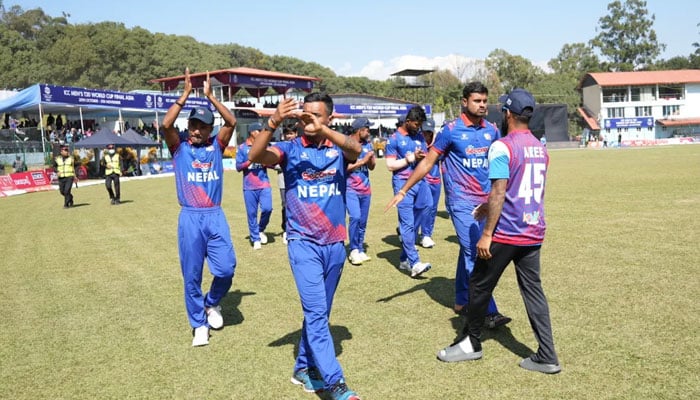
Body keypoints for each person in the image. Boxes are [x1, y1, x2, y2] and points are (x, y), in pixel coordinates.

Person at [436, 88, 561, 374]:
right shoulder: (540, 148)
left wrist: (487, 232)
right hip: (533, 230)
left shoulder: (501, 146)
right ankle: (547, 355)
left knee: (479, 285)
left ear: (507, 113)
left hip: (506, 231)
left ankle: (471, 343)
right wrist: (486, 206)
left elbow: (499, 190)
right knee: (533, 292)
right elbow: (519, 188)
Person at [248, 93, 363, 400]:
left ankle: (302, 368)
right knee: (315, 314)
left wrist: (323, 131)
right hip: (303, 244)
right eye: (304, 115)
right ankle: (336, 384)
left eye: (316, 115)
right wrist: (273, 121)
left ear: (329, 118)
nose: (308, 120)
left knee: (320, 313)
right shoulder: (289, 149)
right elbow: (257, 156)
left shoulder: (338, 147)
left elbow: (357, 150)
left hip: (335, 245)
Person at [386, 82, 510, 328]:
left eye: (485, 101)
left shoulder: (492, 131)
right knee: (477, 253)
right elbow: (428, 162)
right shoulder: (450, 131)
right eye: (477, 101)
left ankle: (462, 300)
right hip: (461, 202)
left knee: (470, 250)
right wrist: (403, 189)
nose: (482, 105)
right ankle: (487, 311)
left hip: (486, 203)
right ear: (464, 102)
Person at [161, 68, 238, 347]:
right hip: (190, 217)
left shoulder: (217, 146)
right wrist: (184, 95)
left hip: (215, 215)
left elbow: (232, 121)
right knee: (191, 275)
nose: (196, 130)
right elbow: (166, 126)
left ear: (209, 129)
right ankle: (198, 325)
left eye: (202, 126)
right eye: (193, 125)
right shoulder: (179, 148)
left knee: (227, 268)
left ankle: (212, 303)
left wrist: (209, 97)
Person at [385, 106, 432, 278]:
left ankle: (404, 259)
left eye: (420, 125)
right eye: (416, 124)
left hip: (421, 182)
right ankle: (415, 263)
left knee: (424, 210)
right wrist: (410, 158)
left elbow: (426, 158)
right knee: (407, 223)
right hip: (402, 183)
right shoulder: (394, 139)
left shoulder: (419, 136)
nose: (418, 128)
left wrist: (420, 157)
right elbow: (390, 165)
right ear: (407, 121)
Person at [235, 122, 273, 250]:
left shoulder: (264, 146)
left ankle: (260, 230)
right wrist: (250, 161)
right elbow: (238, 167)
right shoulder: (242, 148)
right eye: (259, 131)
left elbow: (271, 163)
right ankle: (255, 238)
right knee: (252, 214)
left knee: (268, 208)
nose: (261, 133)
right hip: (249, 186)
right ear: (252, 132)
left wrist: (266, 162)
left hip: (264, 184)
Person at [346, 117, 376, 266]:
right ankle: (353, 250)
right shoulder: (347, 144)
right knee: (355, 217)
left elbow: (372, 167)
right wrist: (362, 161)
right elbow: (344, 168)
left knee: (363, 222)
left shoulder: (368, 144)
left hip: (366, 189)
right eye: (367, 129)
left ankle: (360, 247)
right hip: (350, 188)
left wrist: (370, 159)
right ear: (359, 130)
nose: (369, 131)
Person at [417, 118, 439, 249]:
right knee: (423, 207)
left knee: (433, 209)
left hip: (436, 180)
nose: (426, 135)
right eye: (424, 132)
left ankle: (427, 234)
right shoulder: (418, 142)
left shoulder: (439, 143)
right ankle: (419, 233)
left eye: (428, 132)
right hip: (422, 180)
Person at [276, 126, 298, 245]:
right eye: (287, 134)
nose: (289, 136)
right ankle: (286, 230)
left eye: (291, 133)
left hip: (299, 182)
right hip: (283, 181)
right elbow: (274, 163)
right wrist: (285, 164)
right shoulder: (281, 147)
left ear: (296, 133)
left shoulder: (300, 146)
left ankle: (297, 229)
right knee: (286, 206)